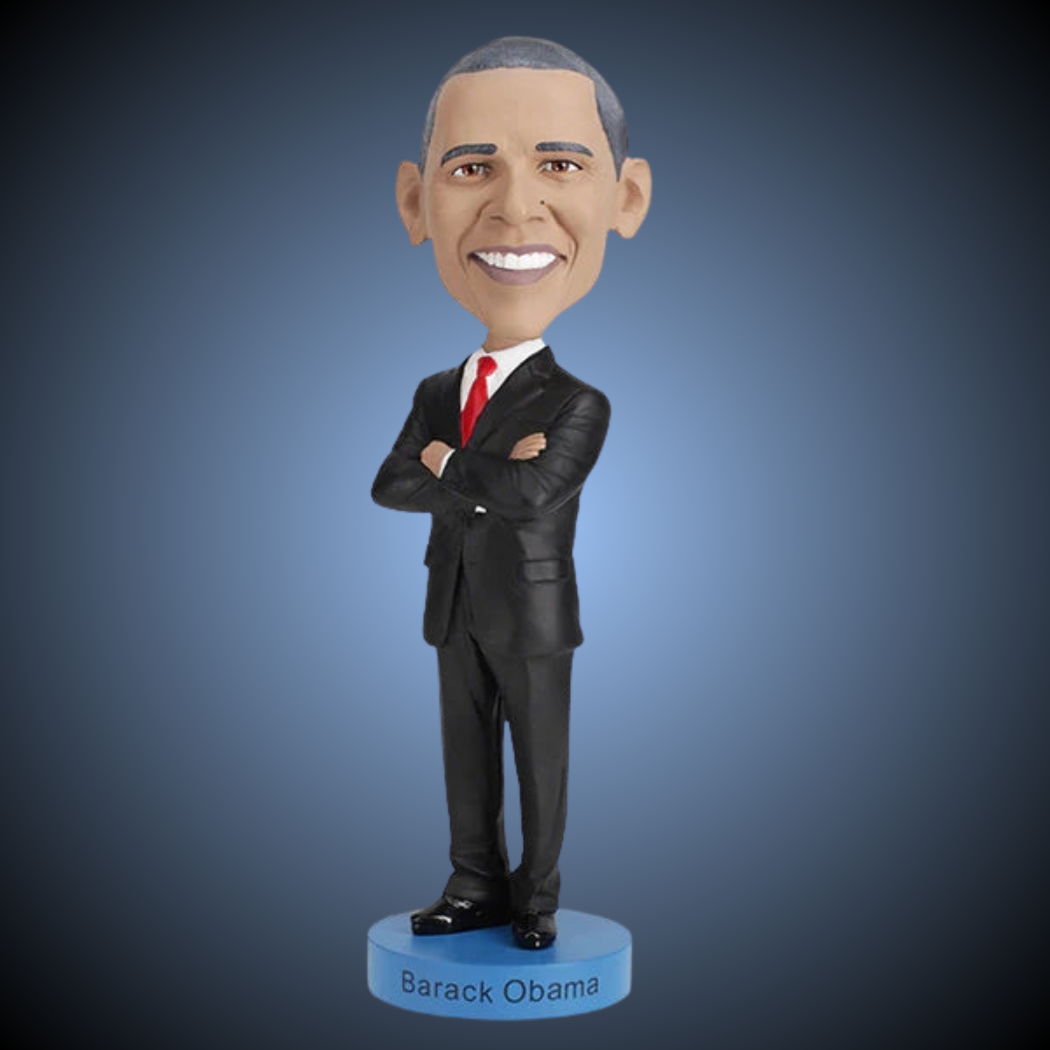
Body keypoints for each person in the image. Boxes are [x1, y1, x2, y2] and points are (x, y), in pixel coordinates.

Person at [371, 36, 651, 950]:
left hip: (532, 616)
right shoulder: (434, 391)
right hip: (452, 604)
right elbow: (389, 485)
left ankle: (536, 901)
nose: (516, 205)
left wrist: (448, 464)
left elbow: (535, 494)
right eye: (472, 167)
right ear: (416, 201)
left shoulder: (576, 401)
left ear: (626, 197)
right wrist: (474, 470)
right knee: (465, 761)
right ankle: (473, 886)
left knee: (539, 763)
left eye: (560, 164)